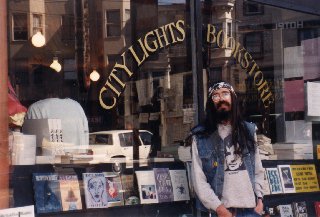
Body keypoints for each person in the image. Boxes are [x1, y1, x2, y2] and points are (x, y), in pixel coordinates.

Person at [190, 81, 264, 217]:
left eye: (225, 93)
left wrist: (259, 199)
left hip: (251, 210)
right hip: (220, 211)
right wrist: (218, 208)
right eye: (215, 96)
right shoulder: (200, 136)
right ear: (211, 103)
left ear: (233, 98)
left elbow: (258, 168)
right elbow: (198, 179)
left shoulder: (248, 130)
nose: (221, 99)